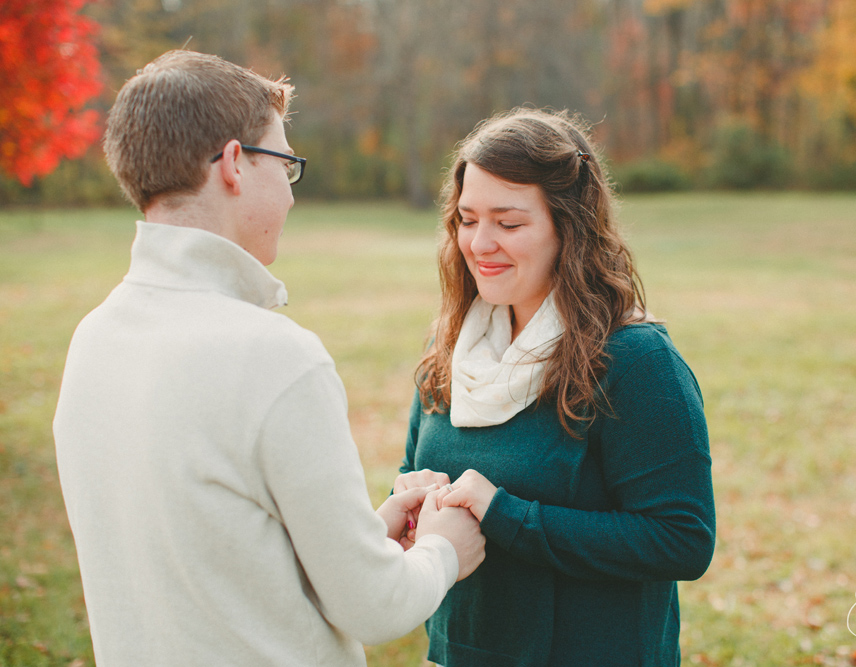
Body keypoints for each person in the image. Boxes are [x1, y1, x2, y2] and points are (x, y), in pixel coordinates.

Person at [52, 50, 484, 667]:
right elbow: (375, 608)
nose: (288, 191)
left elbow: (215, 554)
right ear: (234, 164)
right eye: (284, 163)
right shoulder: (275, 357)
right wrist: (444, 548)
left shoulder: (93, 340)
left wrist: (363, 535)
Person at [395, 108, 715, 667]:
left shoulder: (635, 361)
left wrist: (506, 515)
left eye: (509, 223)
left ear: (569, 228)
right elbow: (412, 475)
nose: (479, 243)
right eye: (467, 220)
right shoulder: (449, 351)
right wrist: (411, 500)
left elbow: (681, 539)